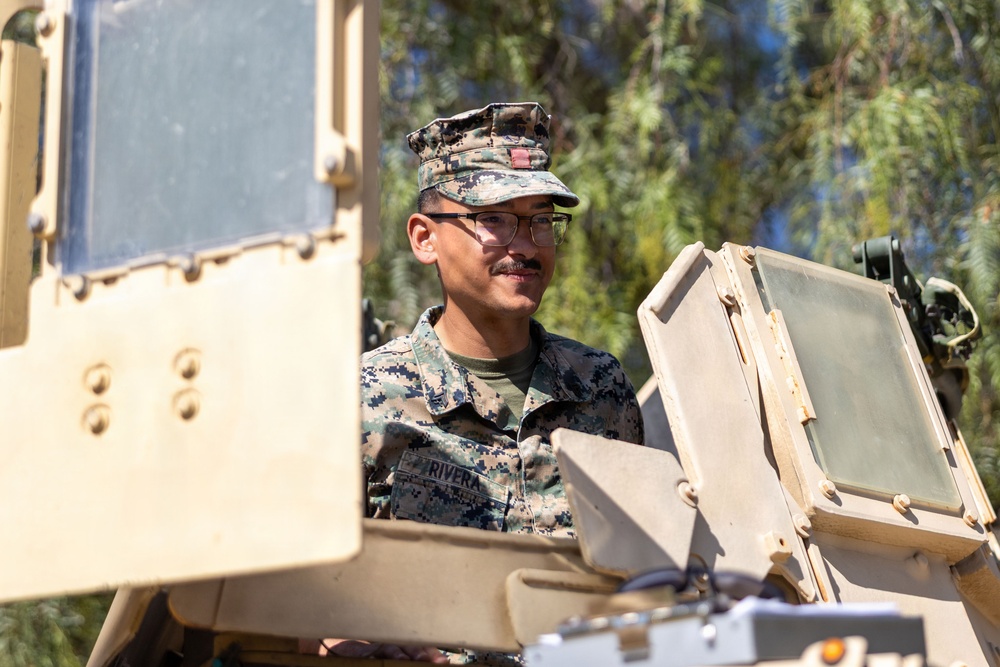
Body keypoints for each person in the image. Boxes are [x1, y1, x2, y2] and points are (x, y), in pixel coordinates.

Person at [329, 102, 644, 664]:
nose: (524, 245)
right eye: (494, 219)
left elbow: (641, 583)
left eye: (541, 220)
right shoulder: (361, 397)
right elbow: (298, 603)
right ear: (425, 239)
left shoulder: (602, 390)